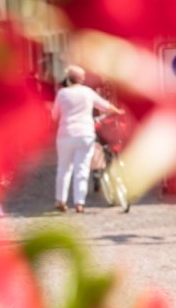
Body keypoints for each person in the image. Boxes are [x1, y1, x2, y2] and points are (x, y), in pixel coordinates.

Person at [53, 65, 125, 213]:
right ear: (81, 79)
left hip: (65, 134)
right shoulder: (87, 92)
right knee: (82, 169)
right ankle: (79, 203)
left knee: (64, 168)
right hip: (85, 133)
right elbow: (106, 106)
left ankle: (61, 201)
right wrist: (118, 111)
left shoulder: (62, 94)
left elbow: (54, 115)